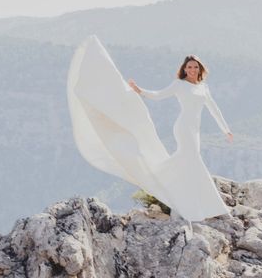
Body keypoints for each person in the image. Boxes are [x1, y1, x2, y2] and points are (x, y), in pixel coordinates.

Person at [66, 35, 233, 230]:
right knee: (193, 161)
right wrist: (139, 90)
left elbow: (214, 109)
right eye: (189, 67)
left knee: (188, 162)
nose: (192, 70)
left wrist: (226, 130)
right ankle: (196, 207)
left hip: (195, 131)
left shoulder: (204, 87)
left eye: (195, 67)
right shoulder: (179, 84)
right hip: (183, 128)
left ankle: (183, 199)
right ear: (184, 69)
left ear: (200, 68)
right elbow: (159, 95)